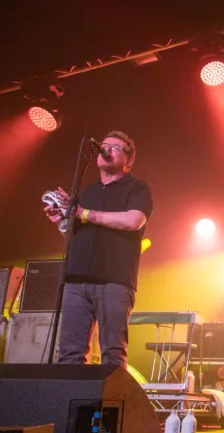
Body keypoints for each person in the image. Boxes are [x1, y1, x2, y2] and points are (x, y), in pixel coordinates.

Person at [43, 131, 153, 369]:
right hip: (76, 279)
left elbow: (133, 221)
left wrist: (83, 213)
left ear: (129, 160)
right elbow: (77, 235)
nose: (107, 149)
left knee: (112, 354)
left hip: (114, 280)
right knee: (69, 355)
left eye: (116, 147)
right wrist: (63, 221)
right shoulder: (88, 191)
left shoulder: (137, 188)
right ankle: (67, 405)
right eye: (104, 146)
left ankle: (108, 406)